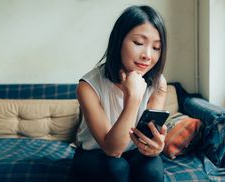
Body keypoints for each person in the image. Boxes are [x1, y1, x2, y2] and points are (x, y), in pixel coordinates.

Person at [72, 5, 168, 182]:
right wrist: (133, 98)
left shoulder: (158, 83)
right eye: (139, 43)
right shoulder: (87, 87)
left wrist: (155, 146)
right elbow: (113, 150)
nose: (148, 55)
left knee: (152, 169)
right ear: (119, 41)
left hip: (133, 152)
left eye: (156, 47)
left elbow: (146, 137)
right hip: (94, 155)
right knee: (116, 168)